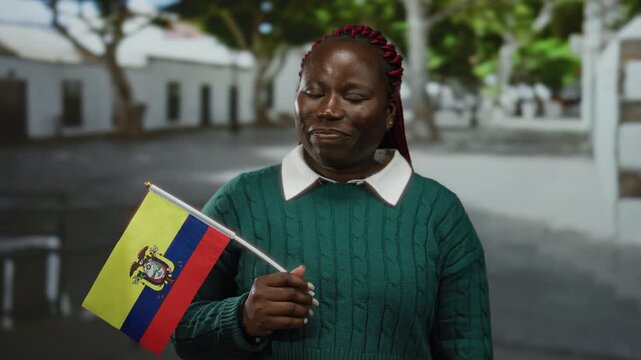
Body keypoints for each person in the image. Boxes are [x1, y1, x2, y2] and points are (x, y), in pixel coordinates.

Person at [173, 25, 492, 359]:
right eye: (313, 91)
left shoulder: (437, 213)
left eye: (353, 98)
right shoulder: (239, 199)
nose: (327, 110)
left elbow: (468, 347)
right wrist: (243, 318)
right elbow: (176, 327)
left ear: (389, 115)